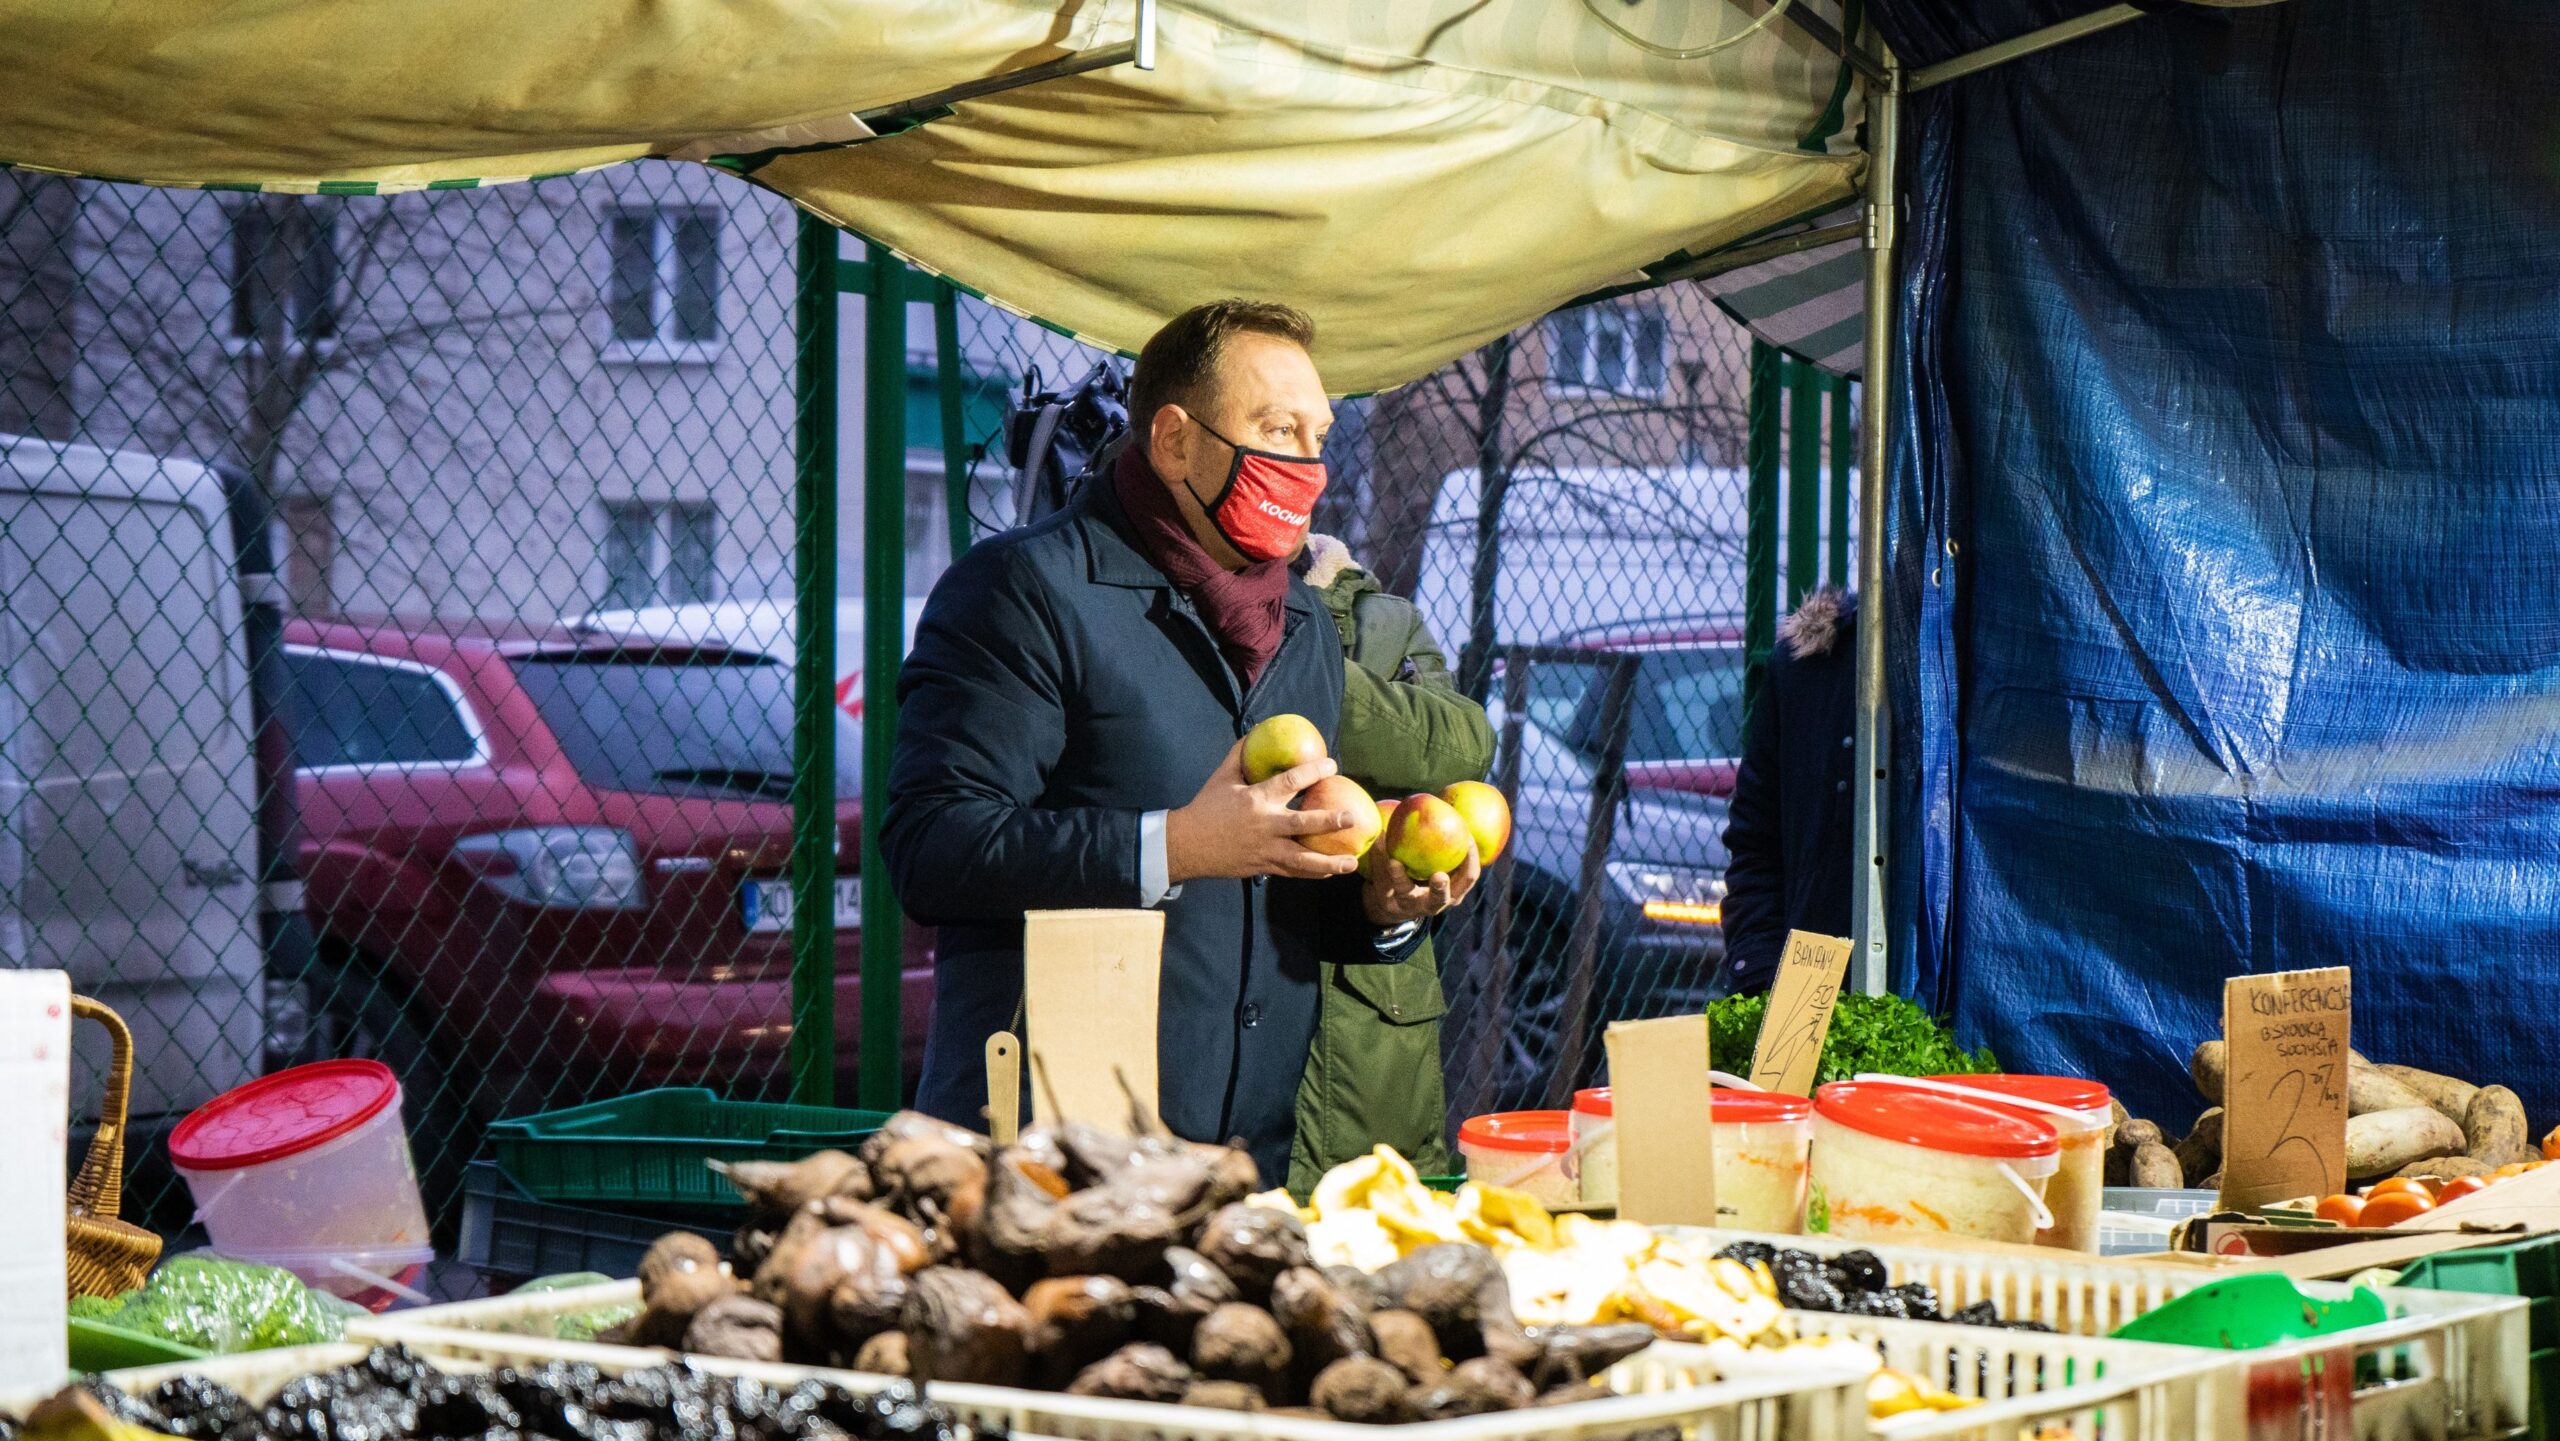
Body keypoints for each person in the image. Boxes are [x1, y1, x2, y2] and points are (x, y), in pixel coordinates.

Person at [881, 299, 1477, 1184]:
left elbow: (1275, 894)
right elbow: (932, 848)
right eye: (1278, 430)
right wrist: (1176, 844)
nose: (1306, 466)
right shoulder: (1023, 589)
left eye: (1318, 437)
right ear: (1172, 441)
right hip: (1052, 1162)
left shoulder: (1304, 626)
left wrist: (1380, 911)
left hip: (1244, 1166)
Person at [1286, 534, 1494, 1194]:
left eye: (1311, 436)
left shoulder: (1380, 618)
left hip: (1372, 1034)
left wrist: (1298, 666)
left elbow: (1464, 744)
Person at [1717, 586, 1858, 993]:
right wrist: (1759, 974)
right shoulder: (1809, 667)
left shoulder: (2001, 658)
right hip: (1815, 995)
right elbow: (1757, 845)